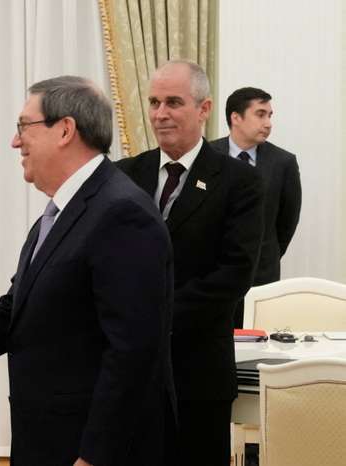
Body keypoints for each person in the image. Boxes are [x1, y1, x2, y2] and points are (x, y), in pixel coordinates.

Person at [0, 76, 175, 465]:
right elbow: (14, 314)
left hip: (88, 448)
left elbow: (133, 352)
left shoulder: (120, 213)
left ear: (65, 130)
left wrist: (95, 456)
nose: (15, 141)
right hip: (47, 438)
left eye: (24, 126)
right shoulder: (63, 212)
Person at [116, 61, 264, 465]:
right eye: (154, 102)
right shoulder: (123, 175)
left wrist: (155, 319)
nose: (160, 114)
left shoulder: (240, 182)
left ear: (204, 109)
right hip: (128, 373)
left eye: (174, 103)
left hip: (198, 374)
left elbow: (234, 274)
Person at [211, 87, 302, 327]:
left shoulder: (283, 163)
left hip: (262, 277)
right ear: (236, 117)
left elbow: (286, 222)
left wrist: (267, 254)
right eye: (260, 114)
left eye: (270, 115)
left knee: (258, 348)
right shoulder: (207, 155)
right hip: (210, 273)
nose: (268, 123)